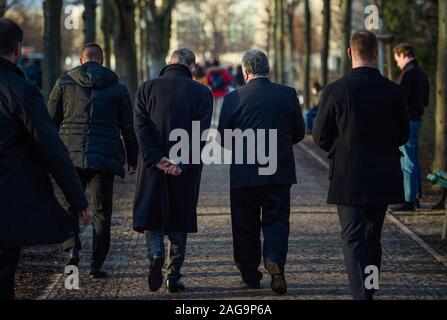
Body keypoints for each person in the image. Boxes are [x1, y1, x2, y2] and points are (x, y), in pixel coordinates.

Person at [313, 30, 410, 300]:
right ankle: (369, 288)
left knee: (353, 239)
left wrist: (341, 150)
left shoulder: (335, 90)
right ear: (377, 54)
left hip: (348, 174)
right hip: (383, 174)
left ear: (349, 54)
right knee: (372, 238)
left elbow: (320, 136)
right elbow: (402, 134)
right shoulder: (394, 91)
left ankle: (362, 295)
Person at [0, 18, 90, 300]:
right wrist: (78, 200)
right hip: (7, 201)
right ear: (17, 49)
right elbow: (51, 149)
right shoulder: (21, 90)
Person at [218, 49, 305, 295]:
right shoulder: (288, 94)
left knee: (244, 223)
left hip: (244, 172)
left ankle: (250, 274)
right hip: (278, 168)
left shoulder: (233, 98)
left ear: (245, 72)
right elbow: (298, 132)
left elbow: (225, 138)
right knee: (277, 218)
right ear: (268, 69)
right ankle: (275, 260)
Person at [48, 43, 138, 278]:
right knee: (102, 211)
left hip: (71, 156)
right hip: (105, 157)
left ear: (81, 60)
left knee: (70, 205)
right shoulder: (118, 88)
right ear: (102, 60)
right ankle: (96, 264)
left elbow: (50, 123)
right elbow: (128, 127)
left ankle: (72, 250)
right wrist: (133, 158)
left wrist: (50, 156)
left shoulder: (64, 83)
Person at [133, 48, 212, 293]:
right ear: (192, 66)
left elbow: (140, 127)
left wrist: (156, 158)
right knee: (179, 218)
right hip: (184, 168)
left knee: (151, 213)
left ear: (169, 62)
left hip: (152, 166)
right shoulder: (202, 92)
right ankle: (172, 276)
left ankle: (156, 254)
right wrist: (182, 162)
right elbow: (202, 134)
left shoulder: (147, 87)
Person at [390, 43, 430, 212]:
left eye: (397, 58)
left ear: (402, 54)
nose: (397, 63)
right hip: (417, 119)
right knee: (413, 158)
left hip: (407, 120)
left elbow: (400, 100)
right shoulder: (420, 72)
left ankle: (409, 199)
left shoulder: (408, 74)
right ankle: (416, 196)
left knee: (407, 161)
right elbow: (426, 99)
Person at [206, 58, 232, 128]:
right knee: (219, 108)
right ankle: (218, 122)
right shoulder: (223, 71)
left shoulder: (210, 72)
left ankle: (212, 122)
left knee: (213, 107)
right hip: (222, 92)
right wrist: (224, 84)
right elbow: (229, 80)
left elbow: (208, 81)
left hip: (213, 92)